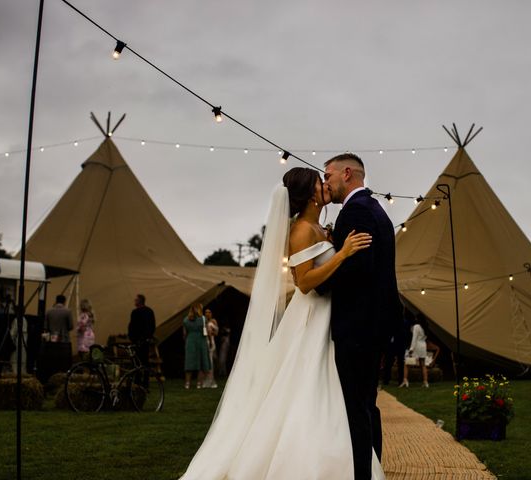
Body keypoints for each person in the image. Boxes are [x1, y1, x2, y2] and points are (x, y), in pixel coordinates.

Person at [180, 167, 383, 479]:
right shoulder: (301, 230)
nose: (325, 184)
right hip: (312, 316)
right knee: (307, 385)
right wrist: (341, 255)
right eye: (320, 181)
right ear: (309, 194)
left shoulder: (317, 227)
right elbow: (303, 282)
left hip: (329, 316)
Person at [320, 153, 402, 478]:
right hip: (373, 326)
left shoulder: (355, 211)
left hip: (357, 327)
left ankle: (362, 474)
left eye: (329, 176)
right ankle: (372, 470)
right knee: (367, 405)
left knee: (356, 408)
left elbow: (357, 271)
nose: (326, 183)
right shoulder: (373, 208)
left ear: (347, 173)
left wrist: (318, 281)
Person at [183, 305, 211, 389]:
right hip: (201, 341)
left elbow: (184, 334)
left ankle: (187, 383)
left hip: (190, 341)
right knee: (201, 362)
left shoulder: (185, 320)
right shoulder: (203, 319)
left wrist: (187, 341)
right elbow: (207, 331)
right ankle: (199, 383)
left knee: (189, 362)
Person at [128, 294, 156, 370]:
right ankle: (139, 379)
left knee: (142, 360)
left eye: (136, 300)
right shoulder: (138, 312)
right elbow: (132, 327)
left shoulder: (146, 312)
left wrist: (146, 337)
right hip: (138, 340)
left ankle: (143, 379)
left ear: (140, 301)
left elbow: (151, 326)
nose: (135, 301)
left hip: (142, 340)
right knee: (139, 360)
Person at [401, 320, 428, 388]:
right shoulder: (425, 327)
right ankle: (425, 382)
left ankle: (405, 380)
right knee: (423, 364)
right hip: (423, 345)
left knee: (407, 363)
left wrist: (411, 349)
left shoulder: (416, 326)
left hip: (417, 345)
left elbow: (414, 338)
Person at [204, 307, 219, 388]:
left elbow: (216, 333)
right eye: (206, 312)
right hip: (203, 342)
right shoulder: (203, 321)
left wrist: (210, 332)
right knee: (206, 362)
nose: (207, 313)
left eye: (209, 312)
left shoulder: (213, 321)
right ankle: (205, 381)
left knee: (210, 362)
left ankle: (211, 381)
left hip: (210, 342)